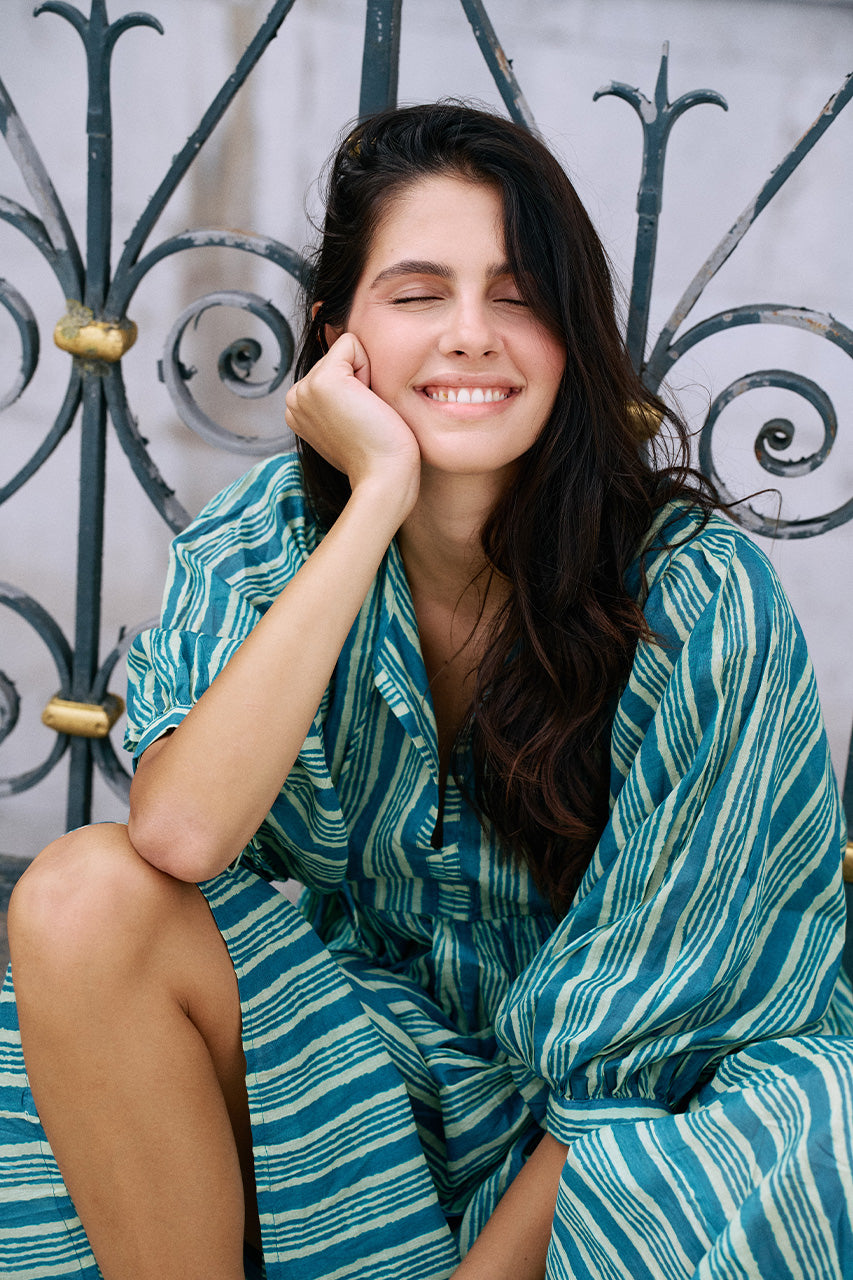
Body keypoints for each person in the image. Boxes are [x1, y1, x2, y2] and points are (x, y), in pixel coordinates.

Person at [2, 101, 852, 1280]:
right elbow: (181, 832)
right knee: (79, 895)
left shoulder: (696, 599)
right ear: (334, 339)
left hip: (619, 1121)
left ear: (571, 329)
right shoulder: (268, 543)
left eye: (517, 294)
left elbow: (660, 1038)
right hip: (365, 1070)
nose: (471, 334)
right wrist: (374, 502)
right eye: (415, 294)